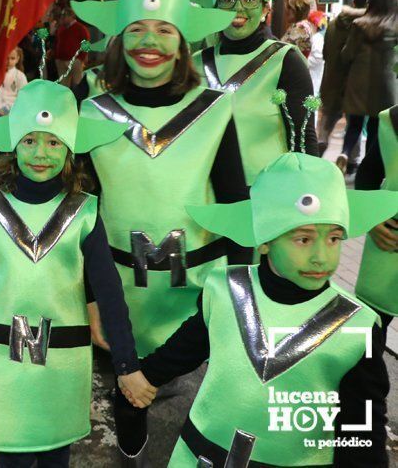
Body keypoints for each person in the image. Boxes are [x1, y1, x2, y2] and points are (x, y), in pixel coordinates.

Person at [116, 152, 396, 466]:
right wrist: (142, 377)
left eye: (333, 239)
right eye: (303, 239)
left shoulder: (359, 327)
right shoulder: (224, 289)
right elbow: (187, 347)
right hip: (199, 456)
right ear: (263, 240)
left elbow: (364, 426)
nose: (322, 257)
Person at [0, 79, 151, 466]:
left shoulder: (84, 212)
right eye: (29, 141)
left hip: (63, 361)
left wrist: (126, 364)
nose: (40, 153)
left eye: (53, 142)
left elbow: (108, 291)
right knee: (9, 452)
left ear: (69, 150)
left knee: (55, 453)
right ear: (13, 145)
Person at [72, 0, 251, 369]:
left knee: (198, 410)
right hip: (116, 295)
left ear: (184, 42)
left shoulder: (215, 109)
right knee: (125, 401)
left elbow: (236, 205)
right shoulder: (92, 112)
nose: (149, 41)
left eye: (165, 30)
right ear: (119, 40)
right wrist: (90, 297)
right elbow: (81, 216)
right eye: (136, 29)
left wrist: (242, 296)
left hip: (200, 297)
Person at [189, 0, 317, 185]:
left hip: (266, 196)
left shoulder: (285, 61)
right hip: (204, 198)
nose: (238, 8)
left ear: (265, 9)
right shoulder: (194, 64)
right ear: (215, 7)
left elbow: (304, 140)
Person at [336, 0, 398, 175]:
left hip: (359, 81)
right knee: (376, 126)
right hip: (385, 84)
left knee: (354, 124)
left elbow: (347, 55)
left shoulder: (358, 25)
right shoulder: (395, 28)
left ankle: (346, 153)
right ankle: (368, 167)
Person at [355, 105, 398, 337]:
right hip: (387, 245)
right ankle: (367, 374)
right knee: (370, 336)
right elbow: (368, 172)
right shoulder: (392, 119)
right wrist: (370, 220)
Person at [318, 0, 374, 153]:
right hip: (355, 83)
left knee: (326, 123)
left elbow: (326, 52)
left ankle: (318, 150)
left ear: (354, 1)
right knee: (355, 124)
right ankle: (351, 159)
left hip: (332, 79)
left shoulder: (334, 23)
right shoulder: (368, 27)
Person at [52, 6, 90, 88]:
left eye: (64, 16)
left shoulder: (81, 29)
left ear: (71, 16)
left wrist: (80, 59)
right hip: (61, 61)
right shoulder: (61, 28)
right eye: (62, 16)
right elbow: (56, 41)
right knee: (63, 87)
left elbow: (86, 44)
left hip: (75, 61)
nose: (62, 18)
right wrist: (56, 56)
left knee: (78, 85)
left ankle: (78, 100)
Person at [307, 9, 326, 94]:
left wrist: (304, 61)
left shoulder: (317, 38)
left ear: (314, 24)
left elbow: (318, 58)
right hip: (316, 74)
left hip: (314, 75)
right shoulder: (320, 36)